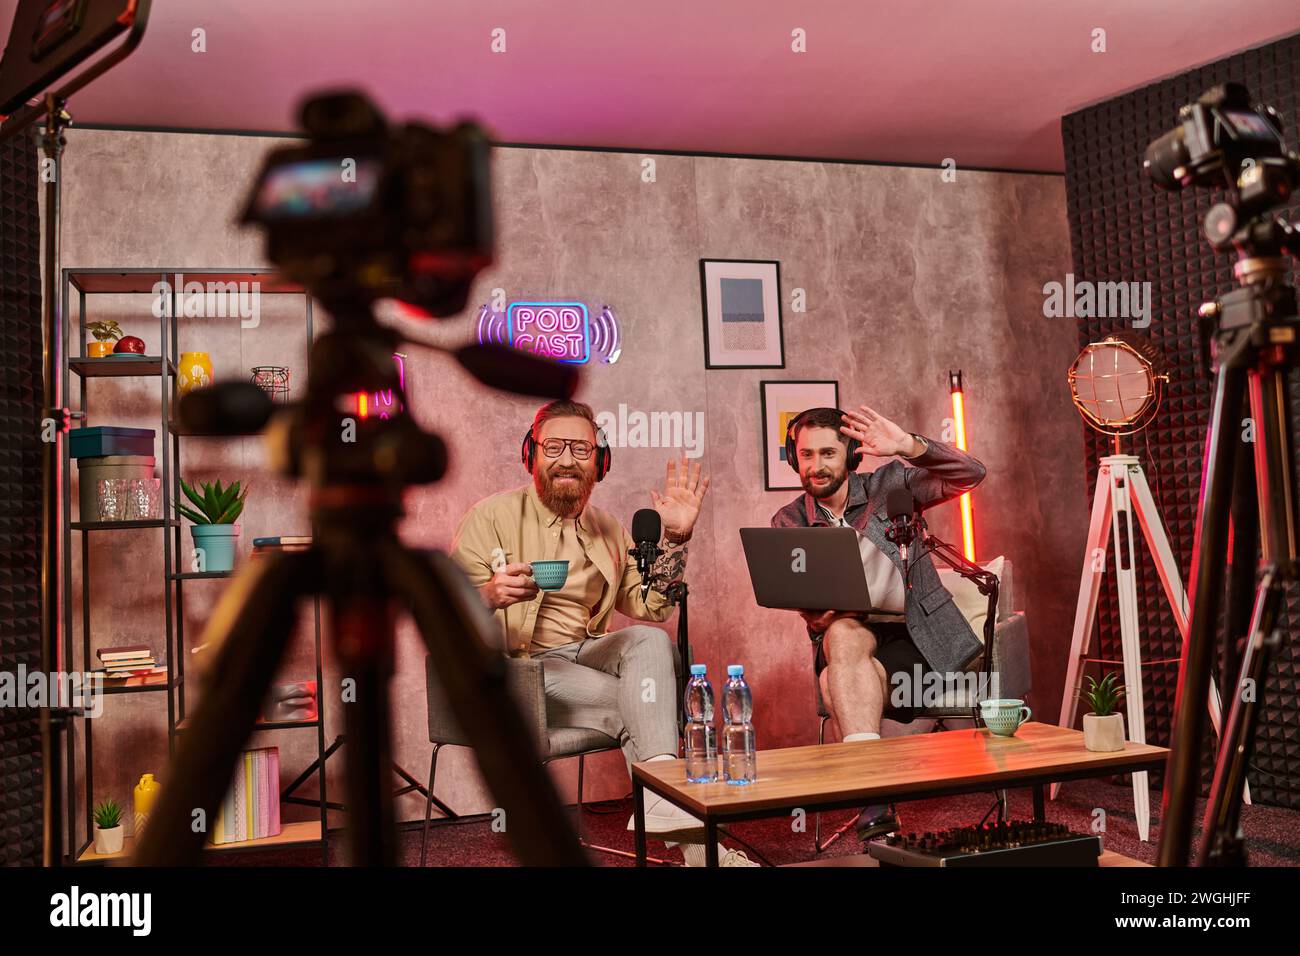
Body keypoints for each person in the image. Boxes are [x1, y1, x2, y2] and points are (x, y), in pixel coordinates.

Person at [450, 399, 755, 866]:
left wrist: (676, 539)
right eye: (554, 446)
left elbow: (650, 607)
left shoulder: (608, 528)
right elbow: (446, 611)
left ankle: (663, 802)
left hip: (584, 654)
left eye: (581, 448)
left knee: (650, 641)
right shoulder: (490, 517)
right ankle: (703, 853)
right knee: (637, 705)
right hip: (520, 669)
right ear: (531, 454)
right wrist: (489, 594)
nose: (567, 459)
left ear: (600, 462)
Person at [769, 405, 986, 840]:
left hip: (918, 637)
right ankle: (875, 793)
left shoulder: (891, 485)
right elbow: (810, 614)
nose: (816, 465)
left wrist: (909, 444)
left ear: (852, 455)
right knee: (841, 635)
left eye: (828, 453)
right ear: (793, 459)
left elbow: (970, 474)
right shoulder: (788, 521)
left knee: (836, 681)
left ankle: (872, 796)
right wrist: (814, 617)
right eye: (806, 455)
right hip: (846, 636)